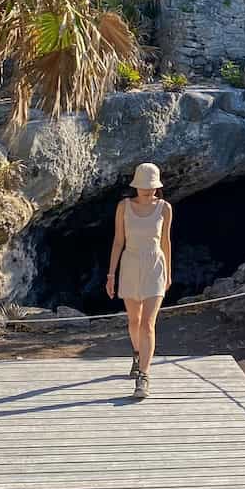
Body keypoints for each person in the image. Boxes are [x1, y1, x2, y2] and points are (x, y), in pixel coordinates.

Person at [107, 163, 172, 399]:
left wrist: (169, 273)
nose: (148, 191)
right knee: (134, 321)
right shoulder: (123, 207)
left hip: (155, 264)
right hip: (130, 263)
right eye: (144, 186)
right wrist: (111, 275)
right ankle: (137, 354)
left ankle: (143, 375)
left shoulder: (164, 208)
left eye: (152, 186)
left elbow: (166, 242)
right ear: (136, 185)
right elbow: (117, 241)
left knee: (148, 323)